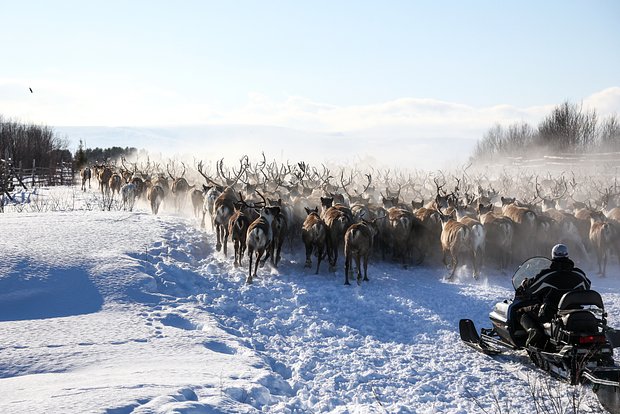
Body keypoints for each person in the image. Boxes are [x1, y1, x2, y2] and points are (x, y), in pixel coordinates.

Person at [516, 244, 591, 348]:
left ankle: (534, 331)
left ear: (553, 256)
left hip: (551, 312)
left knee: (521, 311)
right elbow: (587, 286)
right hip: (575, 311)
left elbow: (532, 289)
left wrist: (525, 283)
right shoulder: (579, 274)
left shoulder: (548, 275)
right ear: (567, 255)